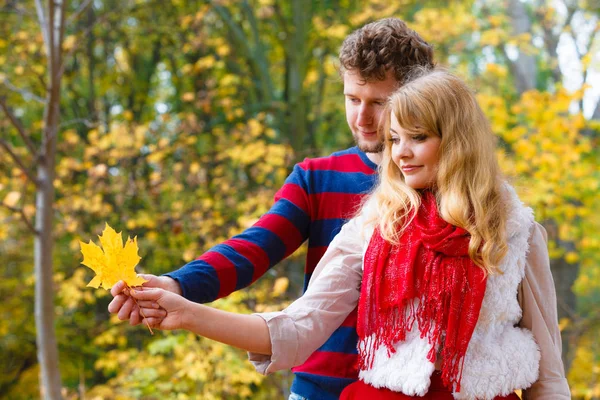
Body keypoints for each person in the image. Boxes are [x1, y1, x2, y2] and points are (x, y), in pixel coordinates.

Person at [120, 68, 571, 399]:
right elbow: (297, 328)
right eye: (395, 140)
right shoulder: (375, 226)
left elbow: (547, 366)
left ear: (456, 140)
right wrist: (184, 311)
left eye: (417, 137)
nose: (402, 153)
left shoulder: (515, 229)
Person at [109, 18, 435, 400]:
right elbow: (253, 248)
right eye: (352, 99)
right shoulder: (317, 178)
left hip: (411, 389)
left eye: (379, 103)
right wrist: (177, 284)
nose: (361, 118)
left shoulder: (450, 189)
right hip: (319, 390)